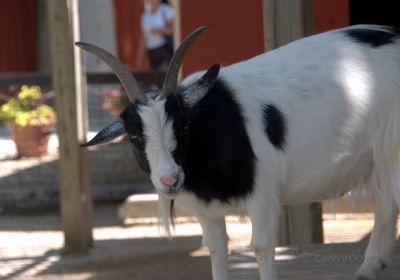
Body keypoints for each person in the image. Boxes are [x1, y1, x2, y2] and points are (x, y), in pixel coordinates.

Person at [136, 0, 175, 71]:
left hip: (165, 48)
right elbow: (144, 38)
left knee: (166, 73)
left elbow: (174, 30)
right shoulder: (145, 16)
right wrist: (139, 59)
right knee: (155, 77)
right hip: (152, 51)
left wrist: (160, 30)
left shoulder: (166, 10)